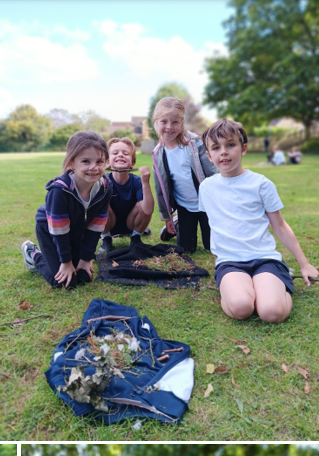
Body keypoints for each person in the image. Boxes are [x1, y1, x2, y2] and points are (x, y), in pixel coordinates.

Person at [198, 119, 318, 323]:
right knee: (241, 307)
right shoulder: (207, 187)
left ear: (243, 148)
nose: (224, 152)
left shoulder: (261, 184)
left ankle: (278, 284)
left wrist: (304, 263)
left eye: (230, 145)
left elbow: (279, 226)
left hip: (264, 258)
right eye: (216, 148)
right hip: (230, 261)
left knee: (272, 312)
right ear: (209, 156)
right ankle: (238, 288)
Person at [20, 131, 112, 289]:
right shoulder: (60, 191)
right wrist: (66, 262)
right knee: (63, 282)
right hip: (52, 231)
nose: (93, 167)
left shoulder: (105, 187)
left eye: (99, 161)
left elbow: (96, 226)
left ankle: (68, 260)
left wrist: (86, 258)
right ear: (71, 163)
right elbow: (59, 231)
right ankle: (33, 254)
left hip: (77, 231)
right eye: (85, 161)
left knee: (83, 276)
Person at [150, 96, 217, 253]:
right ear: (156, 122)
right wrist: (166, 217)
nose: (169, 127)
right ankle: (176, 223)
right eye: (164, 121)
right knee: (186, 248)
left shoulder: (195, 144)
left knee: (212, 246)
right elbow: (160, 189)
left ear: (182, 124)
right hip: (184, 206)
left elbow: (213, 173)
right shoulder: (157, 154)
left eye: (175, 122)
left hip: (206, 205)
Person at [98, 137, 154, 254]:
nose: (120, 155)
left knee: (142, 205)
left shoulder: (137, 181)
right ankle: (106, 238)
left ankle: (136, 237)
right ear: (107, 162)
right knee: (100, 203)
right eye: (115, 153)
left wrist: (145, 182)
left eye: (125, 153)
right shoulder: (102, 181)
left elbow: (148, 210)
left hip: (131, 222)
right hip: (109, 223)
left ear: (132, 163)